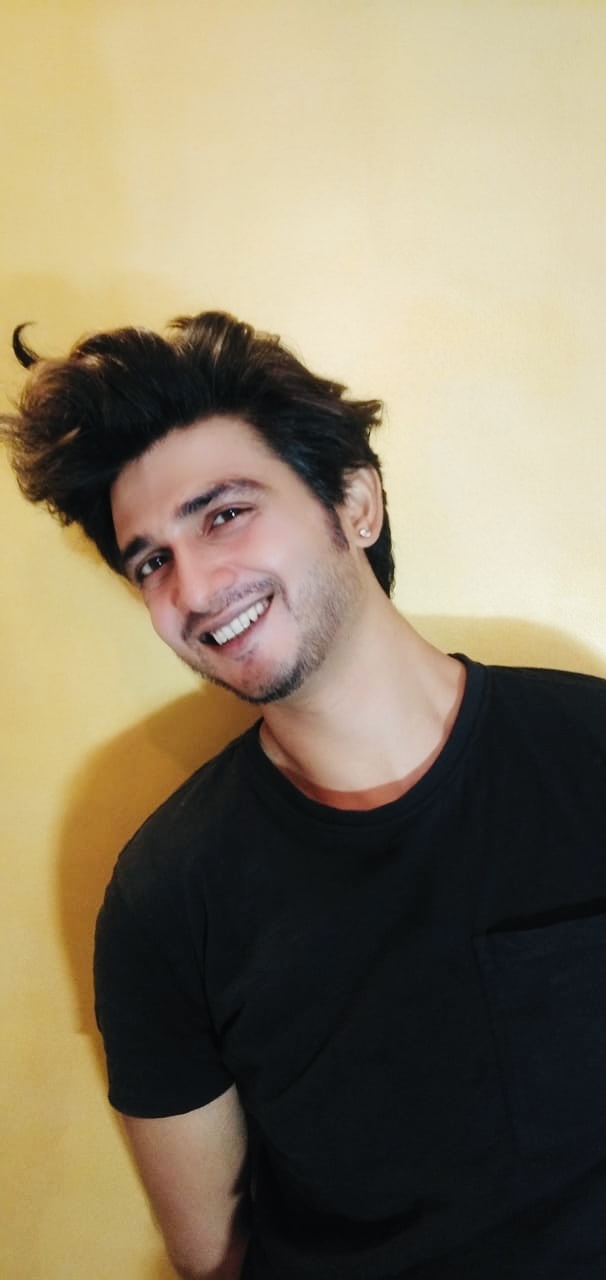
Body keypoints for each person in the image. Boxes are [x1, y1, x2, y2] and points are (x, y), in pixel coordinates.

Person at [3, 310, 606, 1280]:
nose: (193, 587)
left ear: (355, 502)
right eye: (151, 560)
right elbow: (213, 1253)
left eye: (223, 513)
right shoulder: (165, 895)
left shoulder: (589, 749)